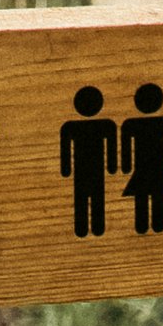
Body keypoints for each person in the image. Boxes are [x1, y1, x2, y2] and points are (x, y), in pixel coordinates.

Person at [120, 81, 163, 233]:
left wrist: (126, 167)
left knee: (146, 197)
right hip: (153, 168)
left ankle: (147, 226)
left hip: (146, 169)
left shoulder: (132, 124)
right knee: (152, 196)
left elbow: (126, 149)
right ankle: (149, 226)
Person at [59, 82, 116, 235]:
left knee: (90, 199)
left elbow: (111, 147)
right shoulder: (72, 127)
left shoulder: (105, 125)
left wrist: (66, 170)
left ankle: (91, 228)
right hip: (89, 171)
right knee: (87, 199)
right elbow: (65, 149)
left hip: (89, 171)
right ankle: (87, 229)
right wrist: (112, 167)